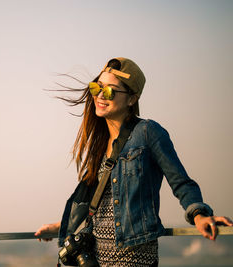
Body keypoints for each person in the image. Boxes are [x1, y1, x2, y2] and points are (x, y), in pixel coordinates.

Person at [35, 57, 233, 266]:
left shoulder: (148, 132)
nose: (100, 95)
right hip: (97, 259)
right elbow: (99, 204)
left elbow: (182, 182)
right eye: (97, 87)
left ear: (131, 99)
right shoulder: (100, 144)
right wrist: (61, 226)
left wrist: (199, 215)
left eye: (110, 90)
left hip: (134, 258)